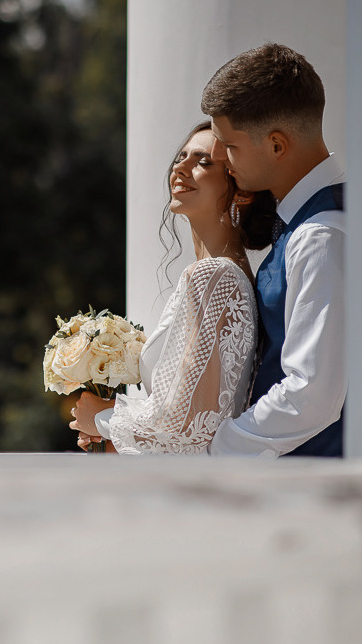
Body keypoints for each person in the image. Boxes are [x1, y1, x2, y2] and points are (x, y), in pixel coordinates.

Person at [67, 121, 275, 454]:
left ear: (242, 189)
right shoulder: (229, 273)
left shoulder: (213, 277)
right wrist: (115, 438)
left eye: (203, 161)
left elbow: (187, 427)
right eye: (181, 157)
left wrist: (104, 418)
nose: (181, 167)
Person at [201, 43, 346, 459]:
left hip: (313, 486)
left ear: (277, 145)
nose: (219, 157)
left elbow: (310, 395)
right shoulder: (311, 220)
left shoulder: (321, 235)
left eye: (230, 146)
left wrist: (215, 452)